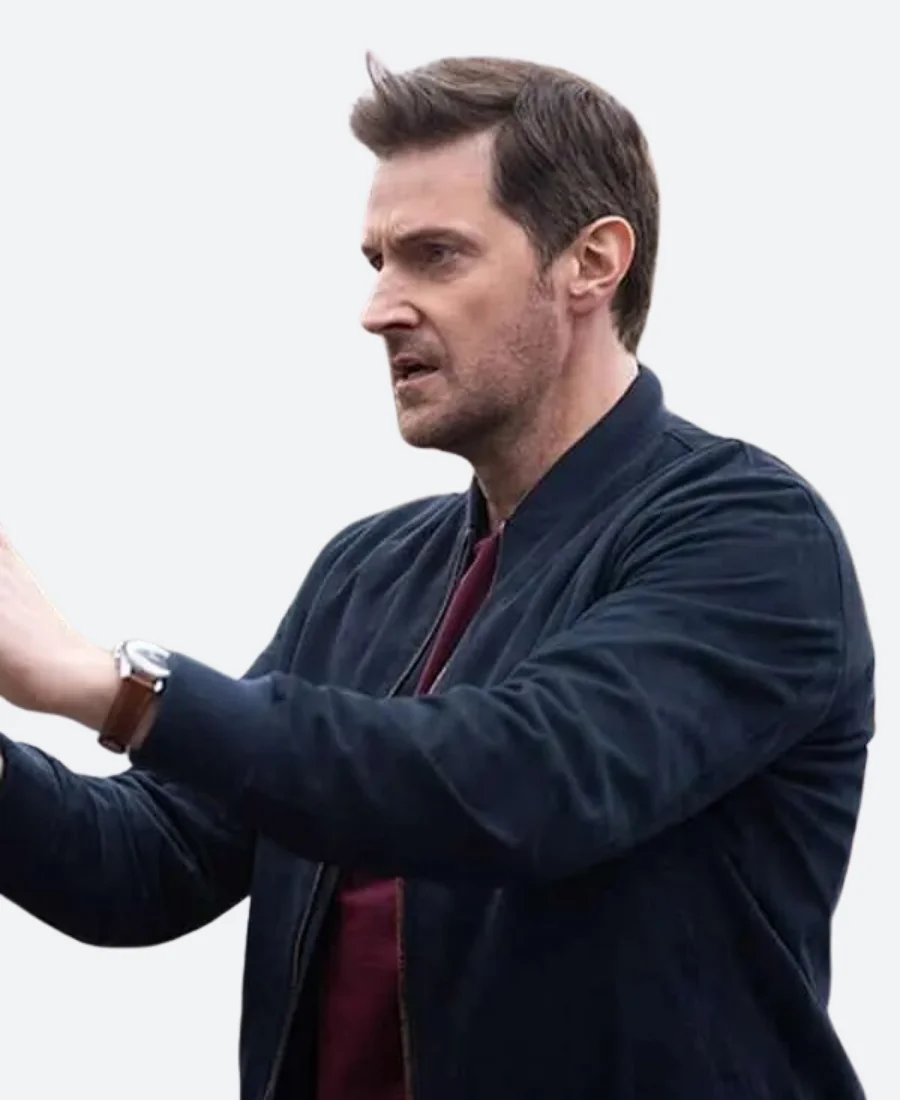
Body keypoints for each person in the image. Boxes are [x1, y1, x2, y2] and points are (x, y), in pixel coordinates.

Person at [0, 52, 873, 1100]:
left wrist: (107, 683)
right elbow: (153, 859)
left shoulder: (751, 535)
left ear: (591, 262)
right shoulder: (367, 570)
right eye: (378, 260)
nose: (379, 307)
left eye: (435, 257)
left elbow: (516, 782)